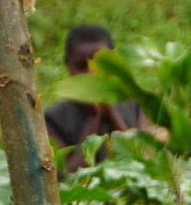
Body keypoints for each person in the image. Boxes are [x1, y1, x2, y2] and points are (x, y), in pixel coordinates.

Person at [43, 24, 143, 170]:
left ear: (114, 62)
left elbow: (143, 163)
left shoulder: (136, 104)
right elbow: (66, 177)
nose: (91, 74)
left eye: (98, 65)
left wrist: (110, 112)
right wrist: (93, 118)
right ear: (68, 65)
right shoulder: (52, 118)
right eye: (81, 66)